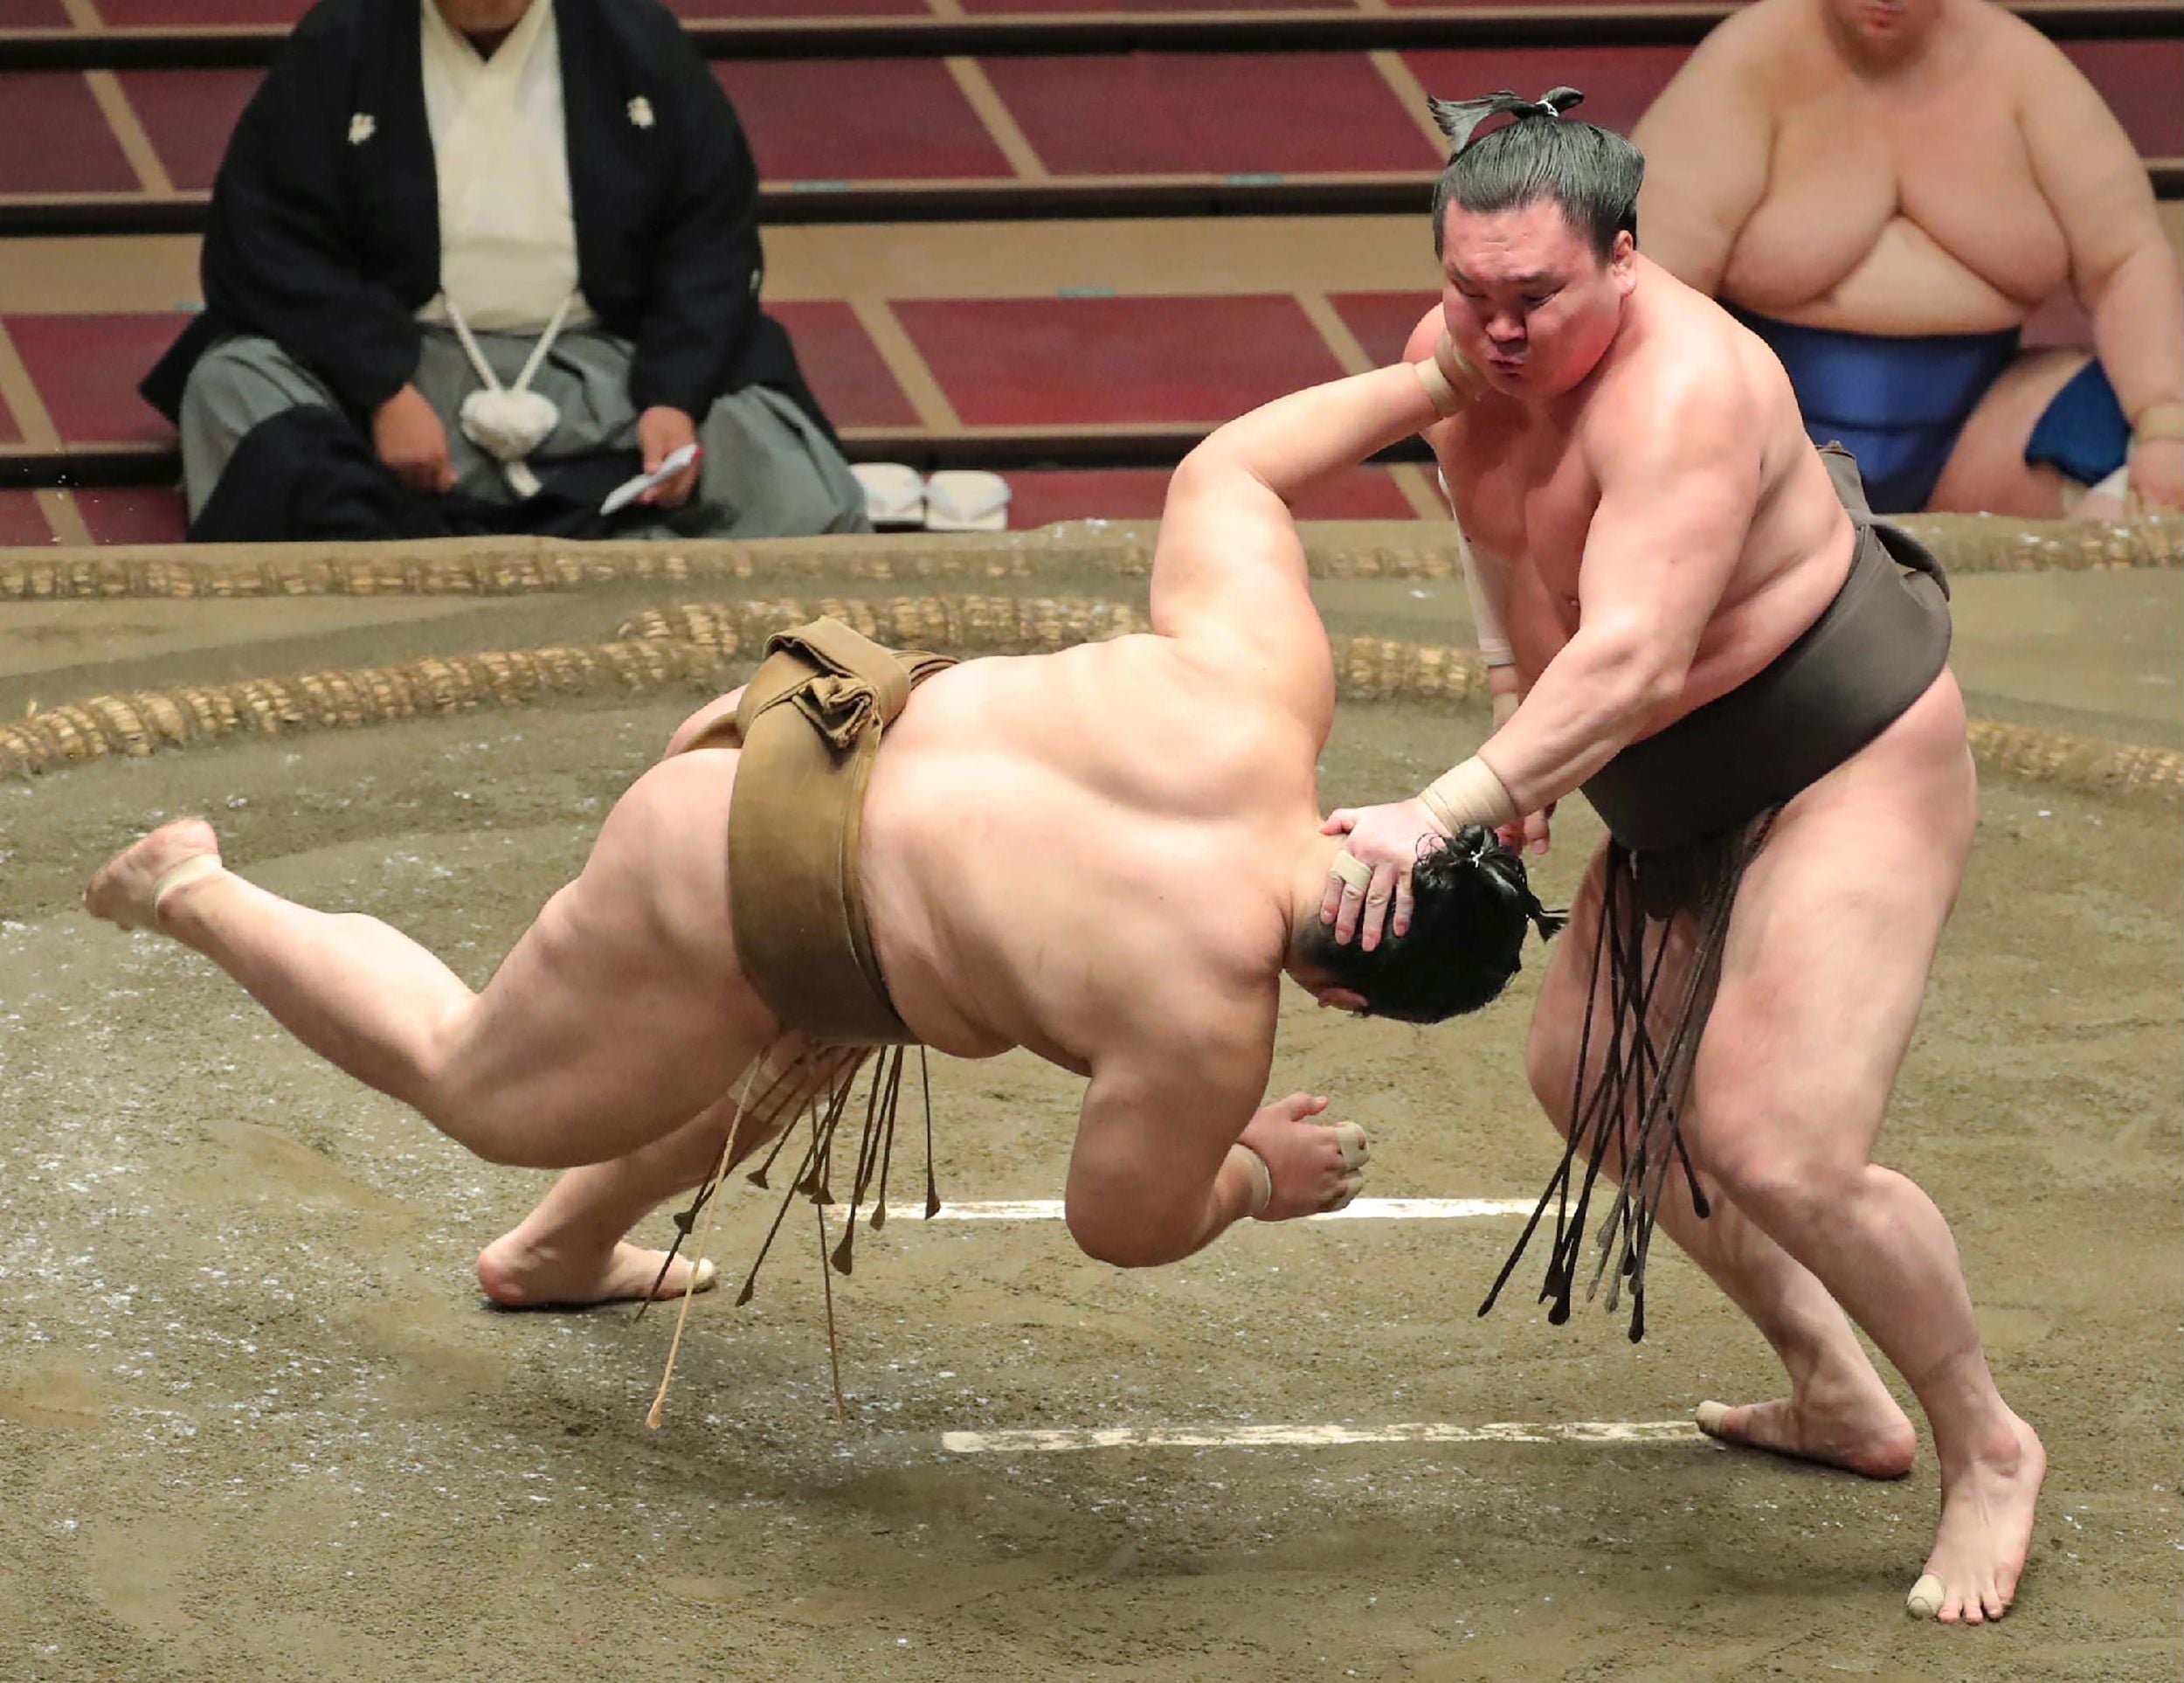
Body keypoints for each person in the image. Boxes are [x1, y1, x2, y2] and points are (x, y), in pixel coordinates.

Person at [83, 355, 1562, 1335]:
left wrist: (1438, 377)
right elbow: (1123, 1221)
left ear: (1378, 826)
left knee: (813, 1036)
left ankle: (558, 1251)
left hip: (805, 722)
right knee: (472, 1079)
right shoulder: (1205, 1027)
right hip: (735, 882)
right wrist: (1250, 1175)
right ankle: (191, 886)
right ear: (1345, 995)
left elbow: (1226, 475)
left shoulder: (1260, 695)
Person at [1322, 89, 2042, 1625]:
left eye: (1535, 296)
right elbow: (1495, 543)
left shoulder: (1690, 389)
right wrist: (1512, 715)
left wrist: (1445, 805)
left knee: (1781, 1141)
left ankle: (1988, 1440)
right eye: (1470, 291)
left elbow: (1638, 652)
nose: (1496, 329)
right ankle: (1833, 1383)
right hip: (1665, 783)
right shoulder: (1457, 362)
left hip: (1839, 748)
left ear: (1624, 256)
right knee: (1584, 1071)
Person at [139, 0, 867, 544]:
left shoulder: (636, 40)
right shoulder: (344, 39)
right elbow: (265, 236)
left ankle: (624, 564)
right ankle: (388, 565)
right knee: (232, 383)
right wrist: (380, 389)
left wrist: (673, 399)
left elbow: (711, 237)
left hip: (600, 384)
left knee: (780, 458)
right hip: (404, 378)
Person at [1629, 0, 2183, 516]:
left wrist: (2164, 423)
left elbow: (2125, 262)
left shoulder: (2023, 71)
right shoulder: (1748, 63)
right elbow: (1650, 281)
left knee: (2140, 458)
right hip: (1771, 442)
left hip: (1985, 434)